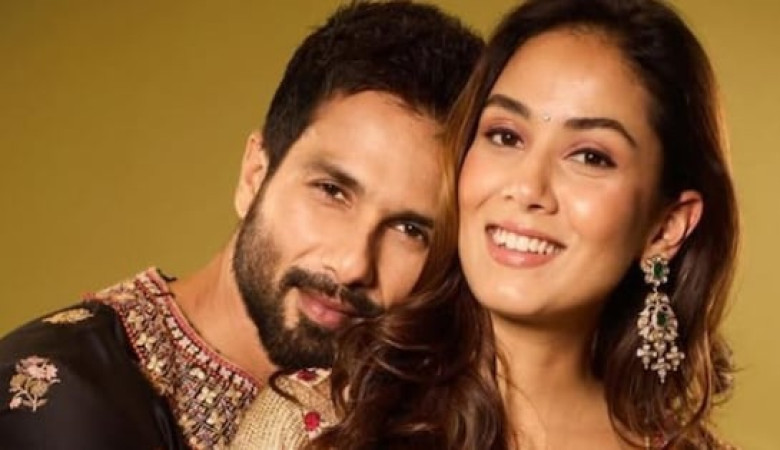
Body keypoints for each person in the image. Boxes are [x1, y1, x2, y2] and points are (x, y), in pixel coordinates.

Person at [232, 0, 739, 448]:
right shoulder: (315, 425)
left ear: (666, 227)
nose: (527, 187)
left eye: (590, 156)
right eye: (505, 136)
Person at [0, 2, 482, 449]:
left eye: (410, 230)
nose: (354, 264)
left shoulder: (421, 413)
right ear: (255, 174)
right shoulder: (58, 393)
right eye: (332, 191)